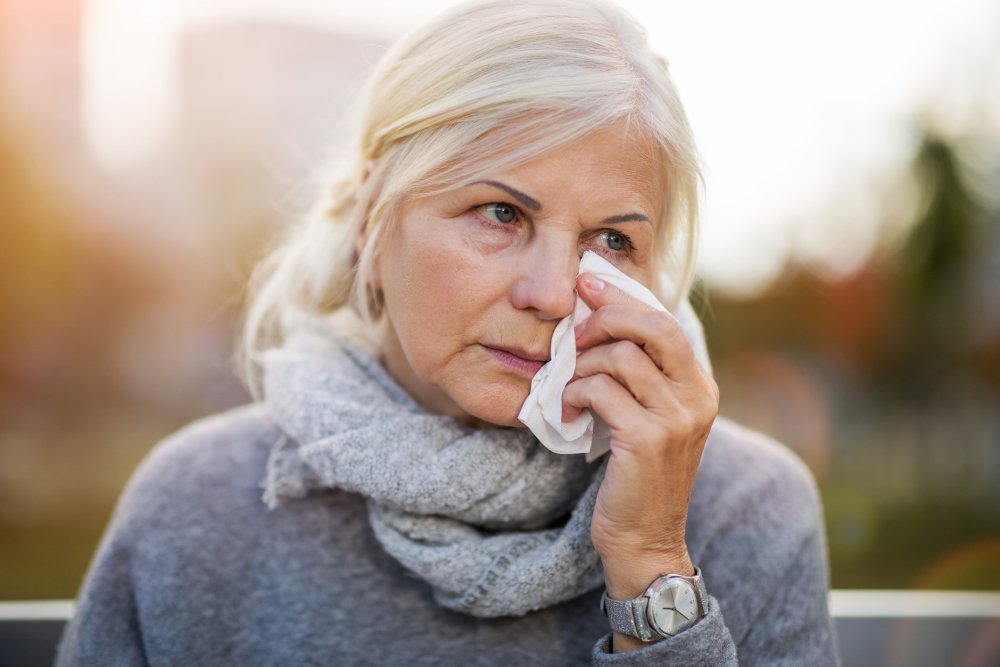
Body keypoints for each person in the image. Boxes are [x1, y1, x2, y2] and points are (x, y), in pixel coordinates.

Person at [56, 0, 840, 664]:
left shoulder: (748, 509)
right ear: (371, 221)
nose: (551, 293)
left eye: (610, 241)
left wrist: (652, 565)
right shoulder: (196, 507)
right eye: (501, 213)